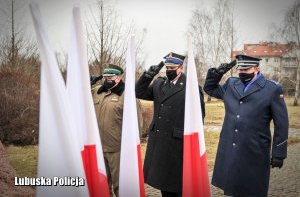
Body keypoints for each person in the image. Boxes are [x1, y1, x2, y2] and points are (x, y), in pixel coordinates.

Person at [204, 53, 289, 197]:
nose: (242, 73)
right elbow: (210, 89)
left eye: (246, 70)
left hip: (254, 150)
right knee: (234, 188)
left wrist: (279, 153)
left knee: (252, 190)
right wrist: (216, 74)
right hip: (231, 148)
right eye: (240, 70)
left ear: (256, 68)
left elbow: (281, 123)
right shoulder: (231, 84)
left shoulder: (272, 89)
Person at [135, 52, 205, 197]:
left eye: (172, 67)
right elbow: (138, 91)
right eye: (167, 67)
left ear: (181, 68)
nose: (169, 70)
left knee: (177, 186)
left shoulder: (190, 86)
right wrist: (147, 76)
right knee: (163, 184)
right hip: (159, 143)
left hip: (178, 144)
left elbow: (199, 117)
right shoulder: (159, 84)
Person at [91, 63, 143, 197]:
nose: (107, 79)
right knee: (101, 186)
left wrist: (133, 145)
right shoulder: (96, 91)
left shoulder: (127, 95)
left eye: (111, 77)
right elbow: (77, 99)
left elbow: (136, 122)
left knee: (120, 186)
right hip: (97, 148)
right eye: (105, 77)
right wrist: (85, 85)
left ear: (119, 78)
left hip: (117, 148)